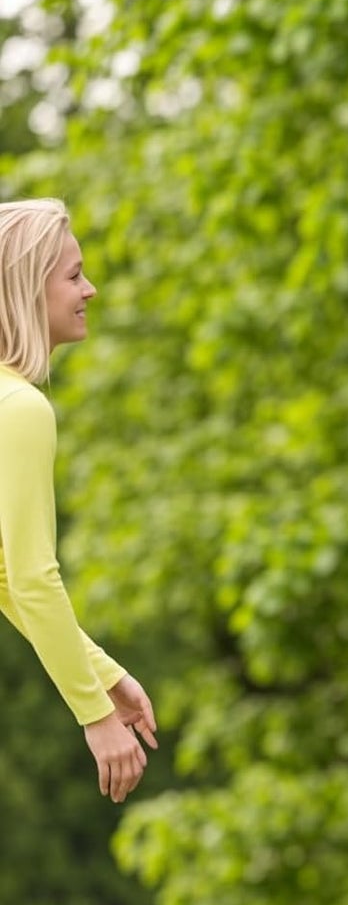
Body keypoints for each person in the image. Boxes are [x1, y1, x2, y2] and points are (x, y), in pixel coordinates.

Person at [0, 197, 158, 803]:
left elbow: (8, 577)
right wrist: (94, 715)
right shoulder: (19, 410)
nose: (89, 290)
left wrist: (102, 672)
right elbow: (33, 580)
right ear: (23, 291)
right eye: (72, 276)